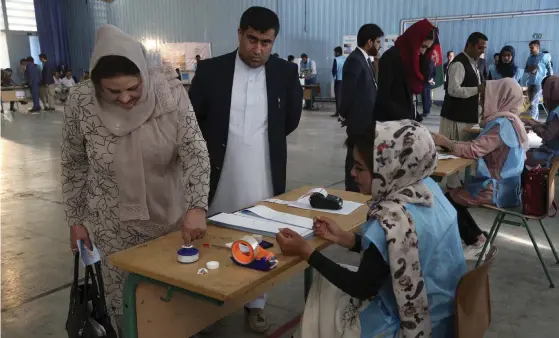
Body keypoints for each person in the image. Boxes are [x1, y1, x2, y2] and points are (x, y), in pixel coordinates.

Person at [62, 24, 210, 336]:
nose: (126, 98)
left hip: (168, 220)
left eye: (133, 87)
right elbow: (74, 163)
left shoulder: (168, 92)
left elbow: (194, 152)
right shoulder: (81, 102)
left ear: (144, 72)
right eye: (113, 92)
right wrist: (75, 219)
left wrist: (197, 206)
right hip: (112, 225)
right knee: (125, 305)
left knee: (173, 300)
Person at [276, 120, 466, 338]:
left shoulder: (393, 219)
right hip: (444, 315)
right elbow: (395, 254)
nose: (352, 173)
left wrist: (307, 252)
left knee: (323, 292)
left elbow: (362, 287)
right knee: (329, 292)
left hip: (413, 325)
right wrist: (346, 238)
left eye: (360, 168)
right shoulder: (428, 192)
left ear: (388, 169)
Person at [188, 7, 302, 332]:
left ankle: (256, 304)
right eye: (252, 39)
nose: (258, 49)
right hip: (219, 172)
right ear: (240, 34)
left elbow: (289, 121)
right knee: (216, 237)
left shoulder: (285, 72)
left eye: (266, 42)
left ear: (273, 41)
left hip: (263, 172)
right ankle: (211, 303)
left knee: (260, 237)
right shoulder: (211, 71)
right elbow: (194, 122)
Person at [432, 78, 528, 258]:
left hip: (495, 189)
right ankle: (476, 236)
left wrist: (447, 142)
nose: (483, 101)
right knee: (452, 197)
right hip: (510, 186)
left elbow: (475, 150)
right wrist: (453, 144)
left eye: (486, 97)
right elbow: (478, 146)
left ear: (501, 97)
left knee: (445, 200)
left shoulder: (501, 125)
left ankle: (477, 242)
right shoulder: (513, 120)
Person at [338, 23, 384, 192]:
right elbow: (348, 92)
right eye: (378, 42)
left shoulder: (366, 60)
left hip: (366, 120)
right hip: (358, 121)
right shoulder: (355, 60)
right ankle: (351, 193)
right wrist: (344, 114)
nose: (380, 46)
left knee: (360, 158)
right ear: (369, 42)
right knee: (353, 159)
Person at [440, 32, 487, 189]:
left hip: (467, 116)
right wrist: (478, 89)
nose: (482, 50)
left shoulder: (473, 62)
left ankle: (458, 181)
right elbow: (453, 90)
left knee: (463, 152)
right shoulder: (459, 64)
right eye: (480, 47)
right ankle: (452, 185)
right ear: (469, 45)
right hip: (455, 117)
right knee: (452, 152)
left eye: (484, 48)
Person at [375, 19, 437, 122]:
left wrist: (414, 117)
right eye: (422, 46)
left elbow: (410, 98)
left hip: (406, 120)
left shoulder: (412, 61)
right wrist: (405, 121)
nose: (423, 51)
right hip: (392, 123)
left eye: (427, 48)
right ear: (413, 40)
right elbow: (384, 96)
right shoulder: (391, 57)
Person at [525, 75, 559, 167]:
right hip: (553, 149)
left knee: (522, 157)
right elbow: (552, 128)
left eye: (545, 91)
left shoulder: (557, 111)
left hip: (554, 153)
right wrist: (532, 122)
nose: (543, 94)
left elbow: (547, 135)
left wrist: (531, 123)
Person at [525, 40, 554, 120]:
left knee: (534, 102)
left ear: (537, 47)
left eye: (532, 48)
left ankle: (533, 121)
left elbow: (549, 68)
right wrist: (530, 69)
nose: (530, 50)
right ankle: (535, 120)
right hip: (530, 82)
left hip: (539, 83)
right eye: (530, 48)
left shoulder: (544, 56)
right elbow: (526, 69)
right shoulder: (529, 58)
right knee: (532, 103)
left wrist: (549, 80)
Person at [331, 46, 346, 117]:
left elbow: (334, 70)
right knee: (343, 97)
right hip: (345, 80)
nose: (334, 53)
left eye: (334, 52)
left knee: (338, 97)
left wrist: (334, 77)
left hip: (338, 80)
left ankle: (338, 112)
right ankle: (343, 112)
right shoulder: (345, 58)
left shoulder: (336, 59)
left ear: (337, 52)